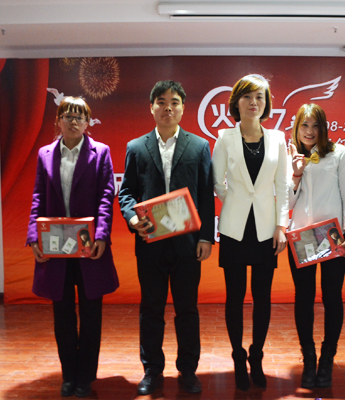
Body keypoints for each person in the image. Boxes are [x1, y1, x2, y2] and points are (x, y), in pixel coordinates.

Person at [118, 80, 215, 395]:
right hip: (150, 244)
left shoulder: (199, 146)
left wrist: (206, 238)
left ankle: (188, 370)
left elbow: (206, 195)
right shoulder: (136, 147)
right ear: (152, 107)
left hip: (188, 245)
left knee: (187, 310)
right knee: (151, 309)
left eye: (174, 102)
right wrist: (133, 218)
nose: (168, 108)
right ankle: (152, 370)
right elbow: (126, 192)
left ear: (183, 108)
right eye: (161, 102)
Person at [26, 96, 119, 398]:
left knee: (91, 314)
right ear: (58, 121)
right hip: (56, 246)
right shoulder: (45, 154)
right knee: (63, 314)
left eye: (80, 116)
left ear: (88, 122)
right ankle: (69, 375)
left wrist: (101, 235)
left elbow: (106, 196)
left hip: (89, 246)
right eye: (68, 115)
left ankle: (85, 377)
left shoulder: (100, 152)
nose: (74, 121)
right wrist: (34, 236)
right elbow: (38, 196)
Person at [211, 74, 289, 391]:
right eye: (247, 96)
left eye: (259, 97)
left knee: (262, 297)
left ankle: (256, 356)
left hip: (266, 229)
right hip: (234, 227)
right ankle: (237, 355)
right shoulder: (224, 138)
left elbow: (282, 186)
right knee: (234, 297)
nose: (253, 102)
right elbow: (216, 181)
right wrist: (235, 201)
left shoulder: (278, 139)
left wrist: (281, 225)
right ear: (236, 102)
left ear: (266, 103)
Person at [288, 103, 345, 388]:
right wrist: (295, 174)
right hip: (301, 237)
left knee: (332, 296)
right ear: (296, 128)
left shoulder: (339, 153)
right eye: (304, 125)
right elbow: (286, 201)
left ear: (324, 128)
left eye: (315, 125)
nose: (309, 131)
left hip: (333, 235)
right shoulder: (288, 155)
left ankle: (327, 357)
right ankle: (309, 358)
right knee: (303, 298)